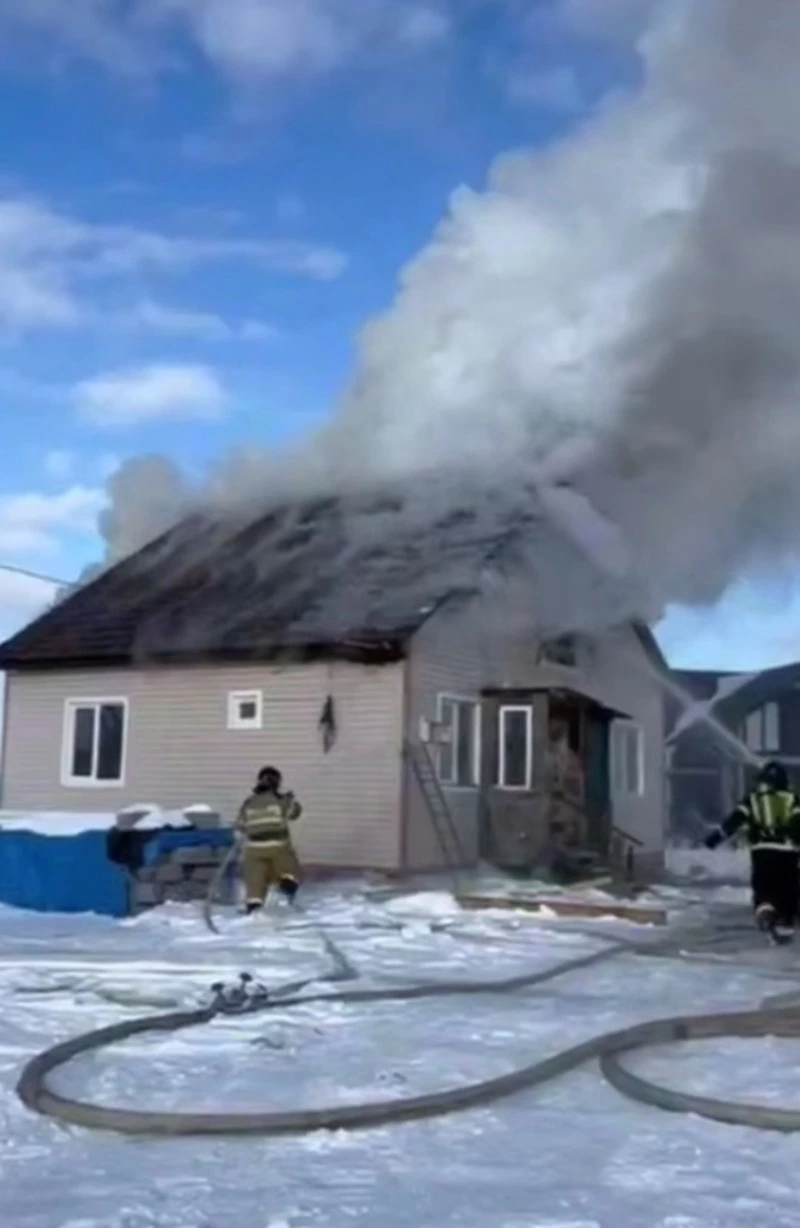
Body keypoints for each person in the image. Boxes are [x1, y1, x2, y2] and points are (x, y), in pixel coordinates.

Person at [704, 759, 800, 943]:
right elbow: (798, 824)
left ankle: (765, 910)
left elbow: (734, 821)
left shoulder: (752, 800)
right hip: (787, 853)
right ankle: (786, 923)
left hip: (761, 852)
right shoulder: (792, 799)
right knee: (788, 890)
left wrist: (715, 839)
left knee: (763, 887)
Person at [235, 765, 302, 915]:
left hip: (254, 849)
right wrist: (292, 801)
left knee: (255, 877)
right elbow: (294, 813)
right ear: (277, 783)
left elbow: (240, 824)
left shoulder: (249, 802)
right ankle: (287, 881)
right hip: (277, 846)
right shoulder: (281, 800)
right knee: (287, 864)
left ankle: (254, 903)